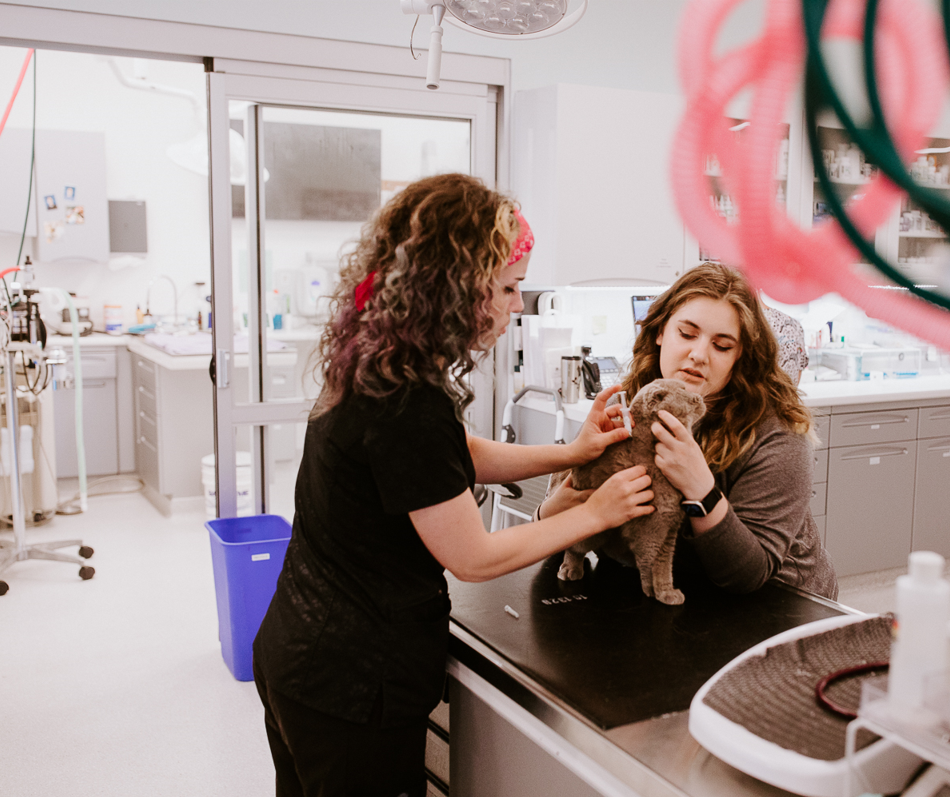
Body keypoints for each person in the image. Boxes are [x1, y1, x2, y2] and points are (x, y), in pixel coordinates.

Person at [251, 173, 653, 797]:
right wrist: (595, 512)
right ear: (458, 287)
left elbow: (456, 455)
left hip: (298, 651)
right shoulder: (409, 398)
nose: (517, 306)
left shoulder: (377, 355)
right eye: (509, 288)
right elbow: (473, 556)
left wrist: (571, 452)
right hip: (351, 682)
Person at [538, 263, 837, 600]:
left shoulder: (777, 435)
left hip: (779, 606)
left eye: (722, 346)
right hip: (668, 598)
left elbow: (747, 576)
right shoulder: (630, 407)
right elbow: (560, 526)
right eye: (687, 333)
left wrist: (699, 487)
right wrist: (550, 513)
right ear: (660, 331)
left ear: (742, 355)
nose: (698, 355)